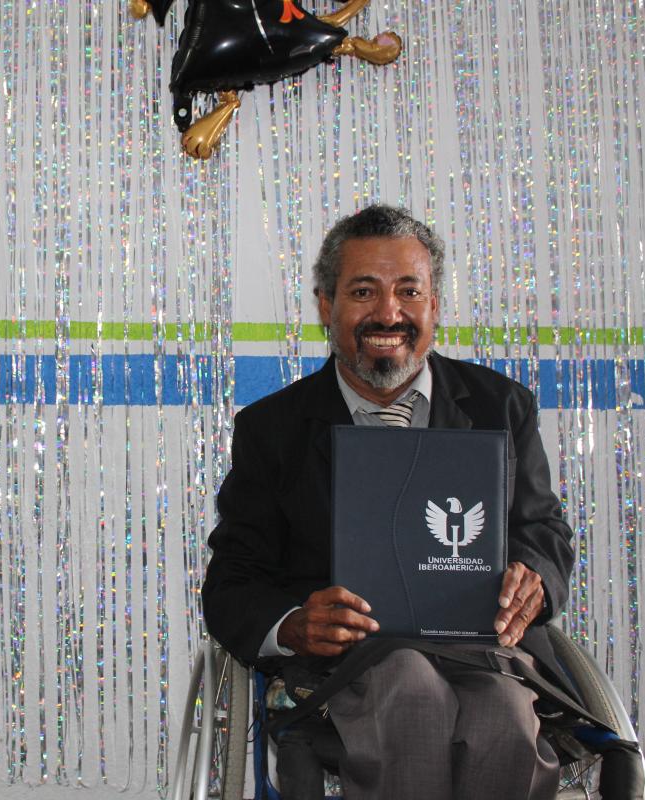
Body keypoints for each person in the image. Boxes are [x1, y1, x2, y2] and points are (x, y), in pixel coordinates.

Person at [201, 205, 576, 799]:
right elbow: (234, 580)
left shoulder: (500, 407)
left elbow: (543, 530)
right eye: (363, 292)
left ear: (434, 306)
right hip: (349, 665)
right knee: (411, 691)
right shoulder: (272, 430)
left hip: (483, 652)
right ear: (326, 306)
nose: (388, 313)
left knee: (504, 716)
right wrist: (293, 624)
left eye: (409, 291)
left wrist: (535, 578)